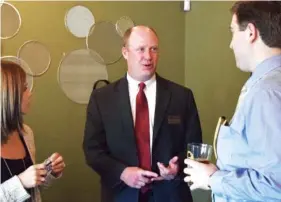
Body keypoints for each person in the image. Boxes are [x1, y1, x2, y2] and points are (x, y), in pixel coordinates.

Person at [83, 25, 202, 202]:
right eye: (140, 49)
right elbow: (92, 150)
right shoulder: (102, 98)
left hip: (171, 195)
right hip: (121, 195)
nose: (148, 56)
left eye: (153, 49)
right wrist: (122, 173)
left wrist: (176, 169)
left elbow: (195, 146)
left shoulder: (181, 96)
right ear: (125, 52)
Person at [184, 1, 281, 202]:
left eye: (233, 31)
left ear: (250, 32)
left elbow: (276, 186)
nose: (230, 44)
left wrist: (213, 179)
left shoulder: (266, 92)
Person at [0, 60, 66, 201]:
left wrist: (48, 172)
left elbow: (33, 189)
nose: (30, 94)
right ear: (8, 95)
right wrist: (21, 182)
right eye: (24, 88)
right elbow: (22, 185)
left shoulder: (26, 133)